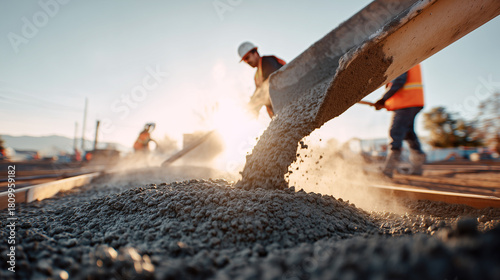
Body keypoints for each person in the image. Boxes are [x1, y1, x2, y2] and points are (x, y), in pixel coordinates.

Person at [374, 64, 426, 178]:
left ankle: (388, 170)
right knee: (409, 134)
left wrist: (383, 99)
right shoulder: (412, 57)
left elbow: (399, 81)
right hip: (412, 102)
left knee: (395, 132)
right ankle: (418, 166)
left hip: (406, 103)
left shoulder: (403, 59)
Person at [238, 41, 285, 118]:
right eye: (245, 61)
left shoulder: (267, 61)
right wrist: (250, 107)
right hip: (278, 113)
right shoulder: (257, 76)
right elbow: (259, 92)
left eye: (247, 58)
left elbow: (272, 82)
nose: (247, 62)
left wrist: (253, 106)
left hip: (287, 104)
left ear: (255, 53)